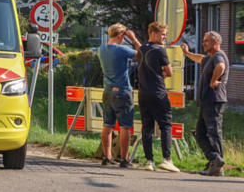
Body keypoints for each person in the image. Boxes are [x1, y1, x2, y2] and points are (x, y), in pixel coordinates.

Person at [182, 31, 229, 176]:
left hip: (214, 100)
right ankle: (214, 160)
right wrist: (187, 53)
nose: (203, 43)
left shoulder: (219, 56)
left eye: (206, 41)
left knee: (214, 133)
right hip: (207, 102)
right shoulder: (210, 57)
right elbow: (200, 58)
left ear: (215, 43)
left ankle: (216, 166)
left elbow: (221, 66)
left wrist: (214, 80)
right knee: (200, 133)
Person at [136, 22, 179, 172]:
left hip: (143, 93)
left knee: (147, 127)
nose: (164, 37)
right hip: (158, 93)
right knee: (166, 125)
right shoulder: (159, 50)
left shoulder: (141, 49)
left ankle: (149, 161)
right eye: (162, 34)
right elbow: (170, 72)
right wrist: (162, 73)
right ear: (153, 34)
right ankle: (167, 159)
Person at [97, 23, 140, 167]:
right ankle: (124, 159)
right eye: (124, 37)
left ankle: (107, 156)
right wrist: (133, 38)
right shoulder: (122, 49)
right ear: (121, 35)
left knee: (107, 125)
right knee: (125, 126)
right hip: (122, 90)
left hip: (107, 90)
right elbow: (142, 53)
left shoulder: (101, 49)